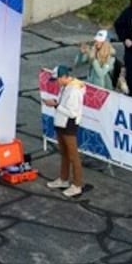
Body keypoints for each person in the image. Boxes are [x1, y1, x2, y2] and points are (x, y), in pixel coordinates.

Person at [43, 66, 86, 198]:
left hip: (69, 125)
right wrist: (56, 103)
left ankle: (77, 185)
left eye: (57, 79)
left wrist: (55, 105)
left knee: (73, 155)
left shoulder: (74, 91)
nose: (56, 82)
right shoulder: (65, 86)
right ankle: (63, 179)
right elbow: (64, 105)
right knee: (64, 153)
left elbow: (72, 113)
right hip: (61, 123)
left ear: (63, 77)